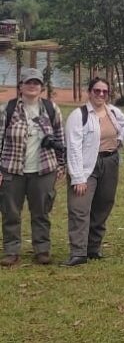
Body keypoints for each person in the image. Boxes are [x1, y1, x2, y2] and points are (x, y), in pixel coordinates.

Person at [63, 77, 124, 266]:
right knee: (80, 207)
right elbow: (73, 147)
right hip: (87, 165)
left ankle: (93, 247)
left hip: (110, 162)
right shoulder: (79, 115)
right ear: (89, 92)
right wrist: (78, 177)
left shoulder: (112, 111)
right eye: (97, 91)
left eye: (104, 91)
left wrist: (119, 140)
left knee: (103, 205)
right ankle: (78, 251)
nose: (101, 94)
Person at [0, 68, 65, 266]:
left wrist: (61, 166)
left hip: (43, 170)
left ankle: (42, 249)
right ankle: (11, 250)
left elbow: (60, 140)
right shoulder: (8, 109)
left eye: (36, 83)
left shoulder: (51, 109)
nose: (32, 86)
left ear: (41, 87)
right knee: (10, 213)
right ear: (20, 86)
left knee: (41, 212)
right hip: (12, 169)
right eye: (28, 82)